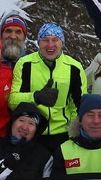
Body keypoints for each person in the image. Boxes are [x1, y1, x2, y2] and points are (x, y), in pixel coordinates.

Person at [8, 22, 86, 151]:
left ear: (62, 43)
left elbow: (77, 106)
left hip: (62, 135)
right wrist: (36, 97)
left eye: (55, 40)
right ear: (39, 42)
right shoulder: (25, 64)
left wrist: (75, 134)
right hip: (31, 134)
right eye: (45, 40)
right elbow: (12, 101)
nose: (50, 45)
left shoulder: (74, 68)